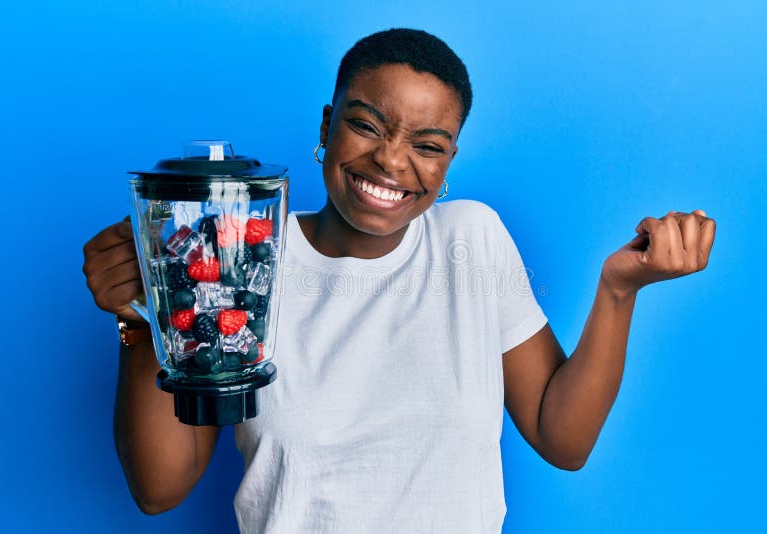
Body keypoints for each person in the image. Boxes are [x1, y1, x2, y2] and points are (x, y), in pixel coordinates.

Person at [82, 28, 716, 533]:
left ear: (448, 163)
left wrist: (618, 290)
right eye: (366, 124)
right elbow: (160, 491)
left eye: (428, 144)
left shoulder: (472, 238)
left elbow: (563, 438)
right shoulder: (248, 261)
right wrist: (143, 316)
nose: (391, 160)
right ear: (326, 125)